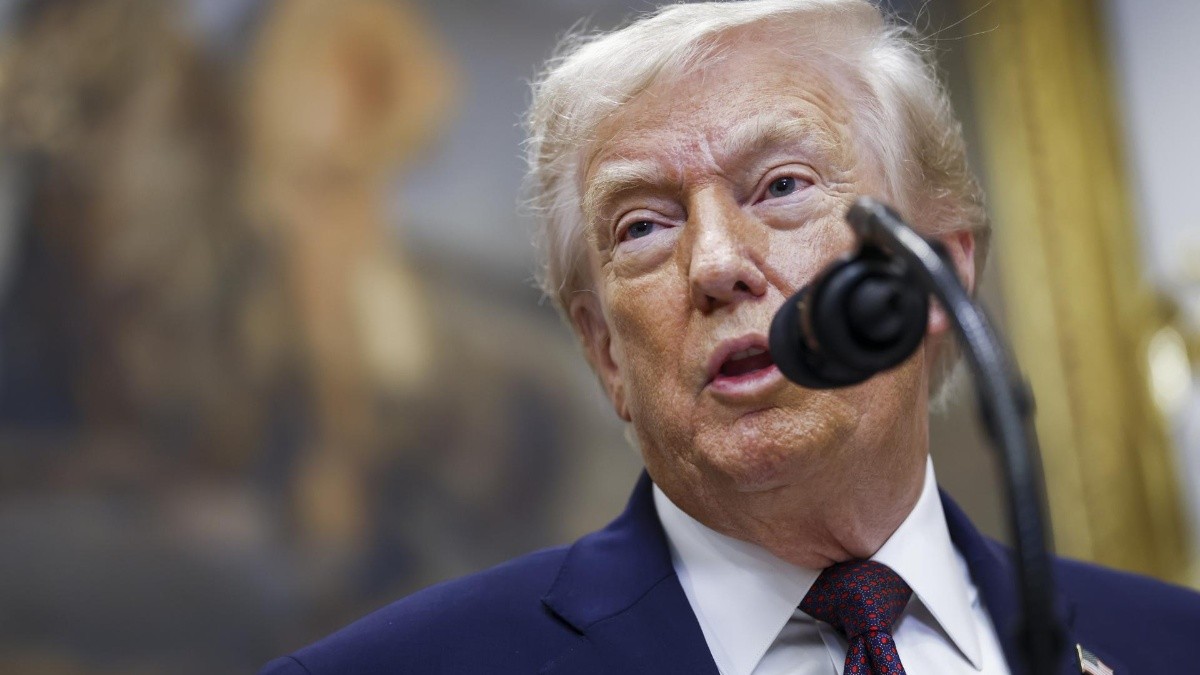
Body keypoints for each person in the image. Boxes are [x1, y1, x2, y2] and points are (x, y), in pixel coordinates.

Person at [261, 1, 1200, 673]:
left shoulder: (1172, 644)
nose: (715, 262)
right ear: (604, 351)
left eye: (783, 185)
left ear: (935, 278)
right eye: (642, 225)